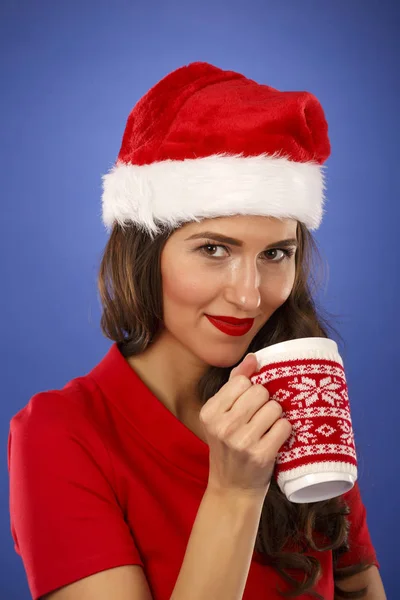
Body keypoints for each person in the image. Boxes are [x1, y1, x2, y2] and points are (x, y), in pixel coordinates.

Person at [7, 62, 386, 600]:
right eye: (214, 249)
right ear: (144, 253)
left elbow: (362, 588)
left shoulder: (301, 397)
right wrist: (234, 493)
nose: (249, 295)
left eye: (276, 253)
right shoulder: (60, 435)